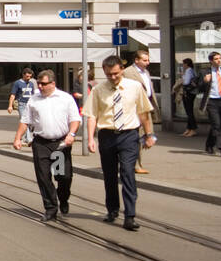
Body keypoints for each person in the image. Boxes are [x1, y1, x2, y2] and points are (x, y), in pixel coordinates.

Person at [84, 54, 154, 231]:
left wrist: (149, 135)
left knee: (128, 172)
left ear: (122, 69)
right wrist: (90, 138)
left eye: (115, 74)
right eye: (109, 75)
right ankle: (112, 209)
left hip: (129, 135)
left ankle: (130, 215)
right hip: (107, 135)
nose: (113, 78)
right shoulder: (99, 89)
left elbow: (144, 112)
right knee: (109, 175)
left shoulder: (135, 87)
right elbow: (92, 115)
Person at [13, 69, 81, 222]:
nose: (40, 87)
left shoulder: (65, 98)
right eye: (39, 84)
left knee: (63, 176)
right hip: (41, 143)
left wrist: (71, 134)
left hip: (60, 144)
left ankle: (63, 198)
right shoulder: (34, 99)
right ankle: (50, 208)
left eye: (44, 84)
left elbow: (75, 119)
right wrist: (18, 138)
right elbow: (25, 120)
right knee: (43, 177)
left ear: (53, 83)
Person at [128, 49, 158, 174]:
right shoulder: (128, 72)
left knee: (145, 135)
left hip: (146, 107)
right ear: (136, 60)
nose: (148, 62)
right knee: (137, 137)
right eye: (144, 60)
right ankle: (135, 165)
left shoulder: (146, 72)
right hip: (135, 109)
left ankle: (136, 164)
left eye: (148, 60)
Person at [7, 68, 38, 146]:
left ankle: (24, 137)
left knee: (31, 122)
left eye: (30, 77)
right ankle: (28, 139)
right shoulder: (17, 83)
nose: (29, 78)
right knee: (25, 121)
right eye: (27, 76)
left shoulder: (30, 83)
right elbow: (13, 95)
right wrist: (10, 106)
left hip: (30, 104)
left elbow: (33, 95)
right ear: (23, 75)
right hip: (22, 104)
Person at [177, 58, 198, 136]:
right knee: (189, 111)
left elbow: (186, 82)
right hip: (191, 93)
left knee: (189, 111)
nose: (183, 65)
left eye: (183, 64)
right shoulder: (192, 70)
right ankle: (188, 129)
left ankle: (193, 129)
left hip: (188, 93)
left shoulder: (188, 71)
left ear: (186, 64)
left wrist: (182, 76)